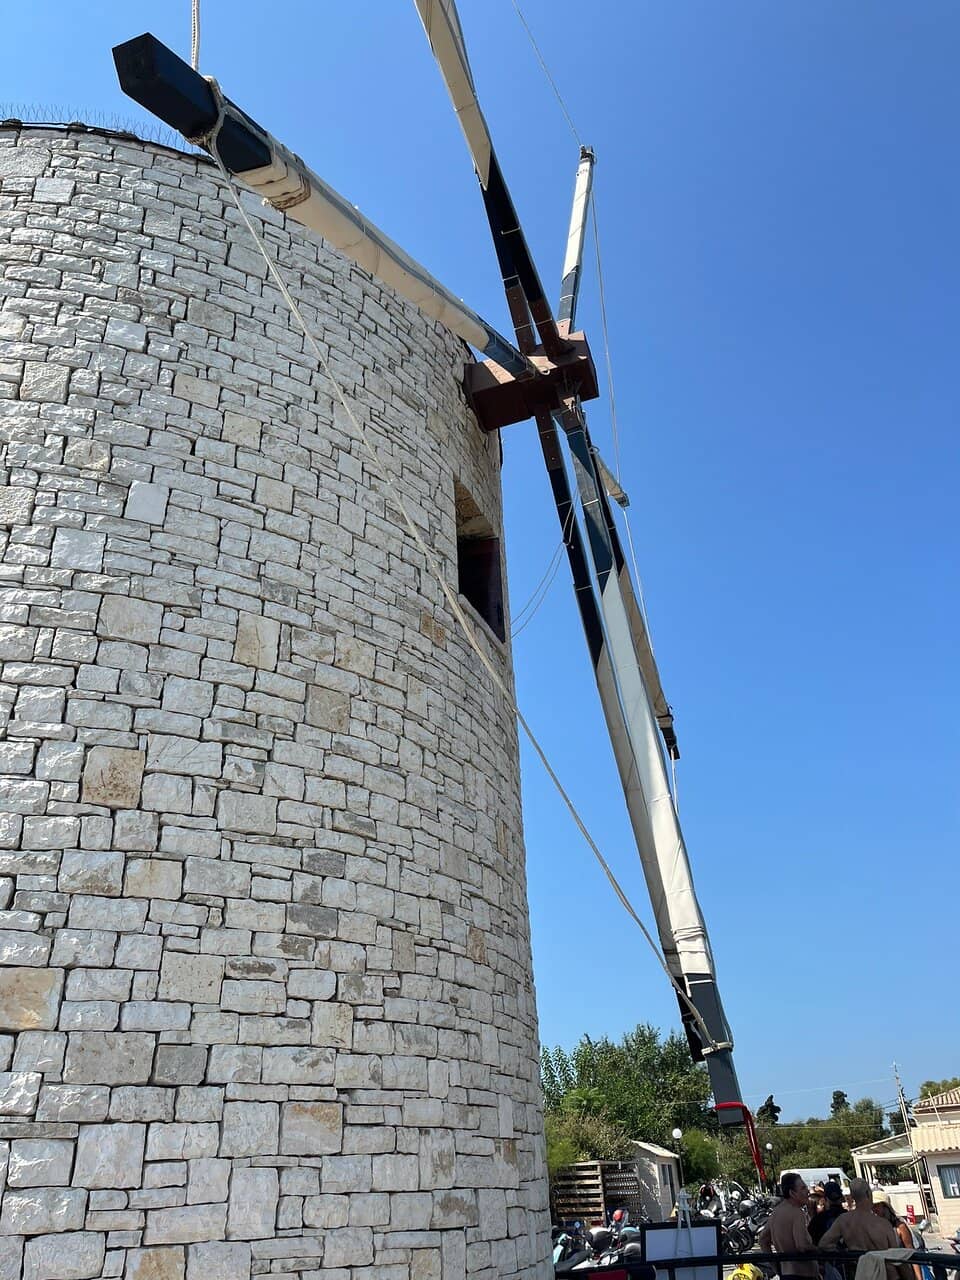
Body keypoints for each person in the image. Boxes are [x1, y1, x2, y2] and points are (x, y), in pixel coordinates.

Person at [818, 1179, 906, 1280]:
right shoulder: (883, 1224)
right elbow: (897, 1257)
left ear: (852, 1196)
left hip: (859, 1272)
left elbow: (824, 1244)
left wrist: (845, 1253)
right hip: (885, 1274)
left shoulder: (844, 1220)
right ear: (868, 1193)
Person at [758, 1173, 817, 1278]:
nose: (807, 1191)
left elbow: (762, 1240)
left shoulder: (776, 1213)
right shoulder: (797, 1213)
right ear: (792, 1193)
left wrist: (775, 1267)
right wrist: (819, 1250)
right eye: (803, 1188)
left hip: (786, 1273)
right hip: (802, 1274)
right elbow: (802, 1246)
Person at [872, 1192, 922, 1280]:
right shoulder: (873, 1229)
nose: (873, 1209)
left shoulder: (900, 1227)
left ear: (885, 1207)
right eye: (872, 1206)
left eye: (876, 1205)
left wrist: (919, 1278)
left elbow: (912, 1253)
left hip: (904, 1274)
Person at [810, 1181, 847, 1245]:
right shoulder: (851, 1217)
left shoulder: (817, 1219)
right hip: (850, 1254)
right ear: (841, 1197)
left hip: (826, 1254)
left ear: (825, 1198)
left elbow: (811, 1241)